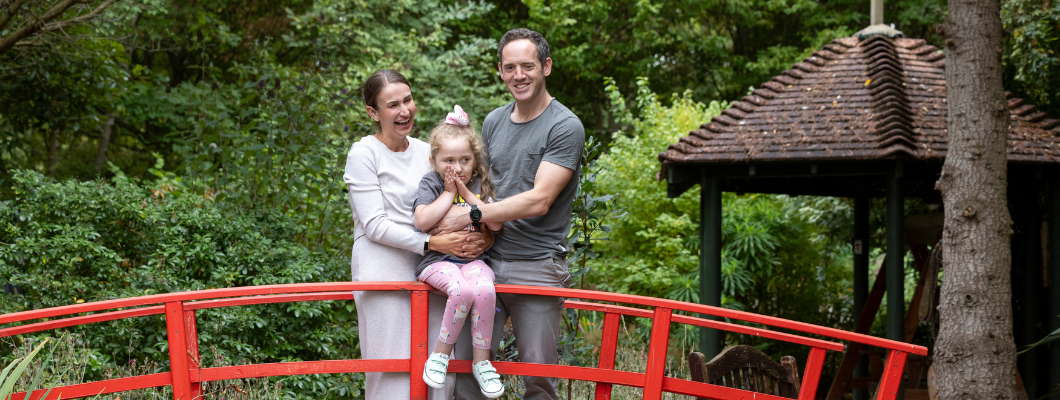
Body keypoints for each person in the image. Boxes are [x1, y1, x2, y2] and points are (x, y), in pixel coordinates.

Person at [434, 28, 585, 400]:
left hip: (537, 266)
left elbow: (539, 200)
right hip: (486, 260)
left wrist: (472, 215)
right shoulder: (493, 122)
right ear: (500, 70)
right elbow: (481, 186)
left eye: (528, 66)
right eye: (510, 67)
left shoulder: (565, 126)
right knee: (467, 369)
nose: (519, 75)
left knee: (537, 376)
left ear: (546, 67)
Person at [344, 70, 490, 400]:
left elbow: (459, 200)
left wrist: (483, 237)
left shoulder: (429, 152)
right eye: (392, 104)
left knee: (438, 367)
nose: (404, 111)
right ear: (373, 112)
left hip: (435, 268)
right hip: (383, 269)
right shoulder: (363, 153)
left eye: (407, 100)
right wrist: (431, 242)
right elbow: (374, 225)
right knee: (392, 367)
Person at [412, 105, 505, 399]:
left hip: (475, 262)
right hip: (438, 262)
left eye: (465, 160)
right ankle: (440, 356)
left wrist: (465, 191)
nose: (458, 167)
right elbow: (422, 221)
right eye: (449, 160)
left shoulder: (480, 183)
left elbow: (497, 223)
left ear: (474, 159)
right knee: (462, 291)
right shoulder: (431, 183)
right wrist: (449, 191)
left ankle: (482, 362)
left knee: (486, 289)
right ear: (434, 160)